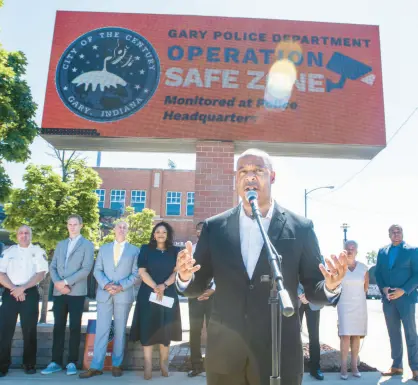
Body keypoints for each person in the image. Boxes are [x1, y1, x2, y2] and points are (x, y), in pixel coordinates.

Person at [176, 148, 348, 385]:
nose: (250, 177)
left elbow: (313, 288)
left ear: (272, 177)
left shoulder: (300, 227)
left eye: (258, 170)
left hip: (278, 351)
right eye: (243, 171)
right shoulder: (213, 227)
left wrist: (330, 286)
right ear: (236, 179)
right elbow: (198, 285)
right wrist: (185, 278)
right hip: (225, 353)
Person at [79, 221, 140, 379]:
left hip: (123, 294)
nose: (121, 229)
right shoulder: (104, 248)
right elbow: (97, 269)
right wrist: (106, 285)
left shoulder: (135, 250)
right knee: (101, 330)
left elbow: (136, 274)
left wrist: (120, 286)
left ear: (128, 230)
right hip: (104, 294)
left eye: (124, 227)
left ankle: (117, 364)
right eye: (119, 226)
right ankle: (96, 366)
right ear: (114, 230)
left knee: (120, 330)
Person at [42, 214, 94, 376]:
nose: (72, 226)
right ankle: (55, 362)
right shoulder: (61, 244)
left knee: (74, 327)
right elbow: (54, 266)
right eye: (70, 224)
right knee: (58, 327)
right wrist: (58, 283)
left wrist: (66, 283)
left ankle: (72, 362)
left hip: (76, 292)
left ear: (81, 226)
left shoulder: (87, 245)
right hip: (59, 292)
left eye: (75, 224)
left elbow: (86, 269)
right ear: (67, 226)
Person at [130, 221, 182, 380]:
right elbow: (142, 271)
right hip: (148, 293)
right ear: (154, 234)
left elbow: (177, 272)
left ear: (168, 235)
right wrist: (155, 286)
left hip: (168, 293)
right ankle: (147, 366)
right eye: (158, 231)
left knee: (165, 327)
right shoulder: (145, 249)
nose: (160, 234)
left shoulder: (175, 251)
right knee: (148, 326)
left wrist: (164, 285)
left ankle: (163, 364)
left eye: (164, 232)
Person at [0, 225, 48, 377]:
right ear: (17, 235)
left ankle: (29, 364)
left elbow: (41, 274)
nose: (24, 235)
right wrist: (15, 289)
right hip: (10, 293)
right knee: (4, 331)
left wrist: (23, 288)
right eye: (21, 233)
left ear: (31, 235)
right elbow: (1, 273)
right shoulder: (8, 252)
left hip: (30, 293)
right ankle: (2, 365)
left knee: (29, 330)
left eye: (27, 233)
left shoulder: (38, 252)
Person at [375, 225, 418, 380]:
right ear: (389, 235)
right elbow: (378, 273)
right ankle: (396, 366)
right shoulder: (382, 252)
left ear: (402, 233)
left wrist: (404, 290)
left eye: (398, 231)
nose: (396, 234)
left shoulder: (412, 250)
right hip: (388, 300)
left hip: (406, 298)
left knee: (411, 334)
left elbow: (417, 274)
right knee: (393, 333)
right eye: (393, 232)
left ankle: (416, 368)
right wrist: (384, 288)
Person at [337, 240, 368, 380]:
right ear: (344, 250)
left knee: (356, 335)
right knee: (345, 335)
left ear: (357, 251)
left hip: (359, 305)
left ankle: (354, 366)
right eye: (347, 248)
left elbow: (365, 288)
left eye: (353, 248)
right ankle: (343, 367)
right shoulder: (340, 267)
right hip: (344, 304)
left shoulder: (363, 268)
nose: (350, 251)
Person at [188, 221, 215, 377]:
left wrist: (212, 290)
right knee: (194, 332)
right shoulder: (191, 250)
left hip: (214, 296)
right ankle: (196, 365)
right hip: (194, 296)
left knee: (214, 332)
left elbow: (221, 271)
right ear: (196, 232)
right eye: (199, 229)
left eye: (204, 230)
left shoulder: (217, 250)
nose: (201, 232)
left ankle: (212, 364)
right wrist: (196, 292)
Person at [298, 282, 323, 380]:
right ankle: (295, 368)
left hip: (313, 301)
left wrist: (310, 296)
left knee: (314, 336)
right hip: (296, 299)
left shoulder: (318, 265)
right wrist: (299, 294)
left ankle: (315, 368)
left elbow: (320, 280)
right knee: (294, 335)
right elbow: (291, 275)